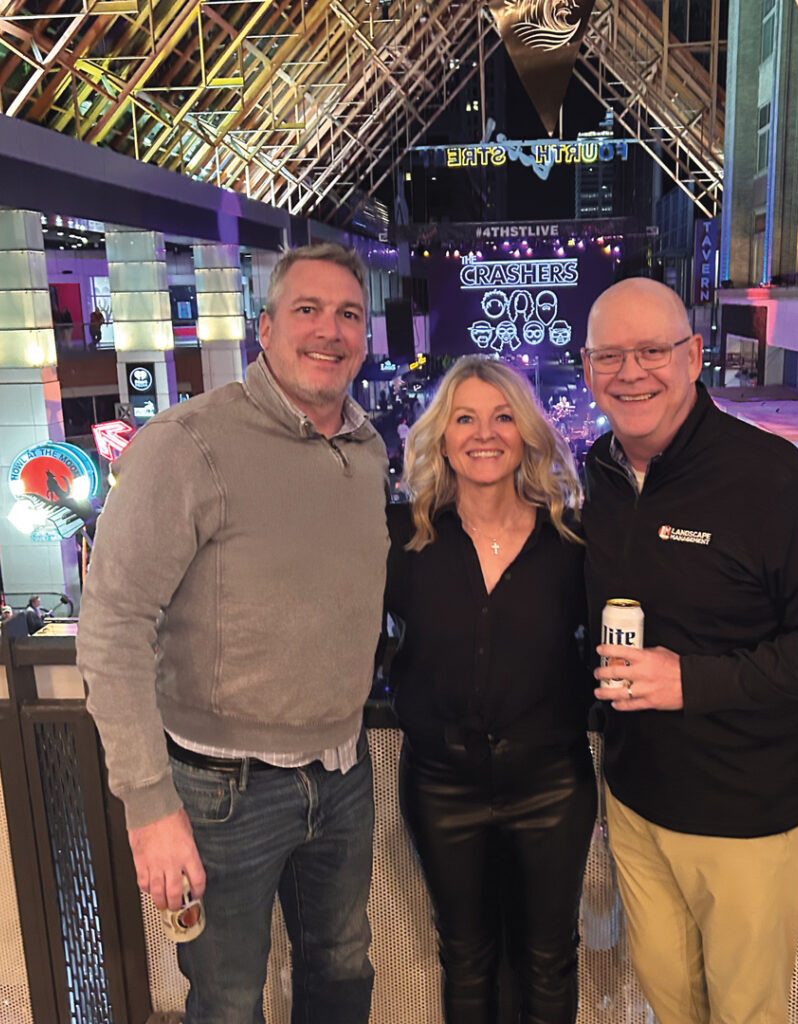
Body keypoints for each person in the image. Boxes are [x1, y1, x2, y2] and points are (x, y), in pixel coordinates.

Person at [77, 242, 389, 1024]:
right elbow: (112, 624)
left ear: (366, 333)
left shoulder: (366, 446)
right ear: (266, 328)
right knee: (225, 1000)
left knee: (343, 975)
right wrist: (149, 804)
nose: (330, 330)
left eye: (348, 313)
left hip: (345, 774)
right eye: (307, 310)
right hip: (221, 791)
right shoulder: (188, 445)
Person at [580, 277, 798, 1024]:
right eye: (609, 355)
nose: (630, 371)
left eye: (651, 350)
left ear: (692, 355)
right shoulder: (602, 472)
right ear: (587, 368)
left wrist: (694, 681)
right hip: (634, 800)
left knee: (745, 1013)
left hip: (743, 816)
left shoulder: (775, 480)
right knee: (670, 1001)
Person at [386, 356, 594, 1024]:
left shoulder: (573, 538)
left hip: (552, 785)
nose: (485, 433)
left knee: (549, 960)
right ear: (441, 436)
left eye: (503, 416)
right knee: (466, 959)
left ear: (527, 432)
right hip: (442, 785)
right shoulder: (400, 537)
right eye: (465, 418)